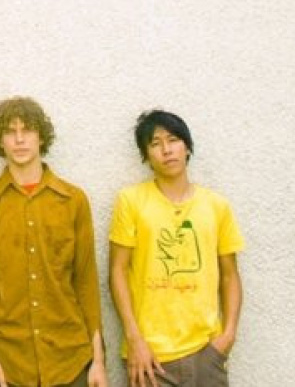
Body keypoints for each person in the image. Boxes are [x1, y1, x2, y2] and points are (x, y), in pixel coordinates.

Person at [0, 97, 107, 387]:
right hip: (8, 364)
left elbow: (86, 282)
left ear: (41, 136)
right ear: (0, 141)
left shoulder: (74, 200)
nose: (19, 139)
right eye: (10, 131)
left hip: (70, 360)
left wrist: (98, 361)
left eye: (27, 129)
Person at [109, 110, 244, 387]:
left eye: (173, 140)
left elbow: (230, 275)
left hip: (207, 353)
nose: (166, 150)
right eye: (155, 143)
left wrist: (227, 336)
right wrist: (134, 340)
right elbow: (117, 271)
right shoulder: (131, 201)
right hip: (150, 359)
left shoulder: (216, 206)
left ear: (187, 147)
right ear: (146, 156)